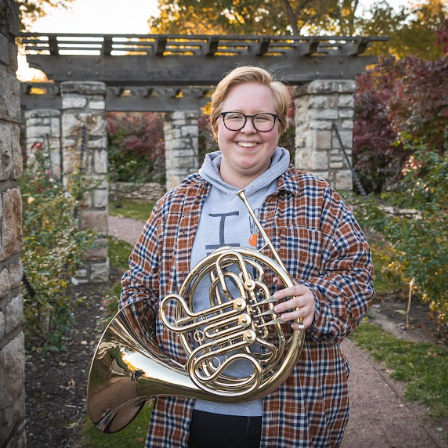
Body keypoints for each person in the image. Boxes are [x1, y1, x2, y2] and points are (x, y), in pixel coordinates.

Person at [120, 65, 374, 448]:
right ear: (217, 123)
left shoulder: (318, 200)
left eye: (263, 118)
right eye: (235, 116)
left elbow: (358, 276)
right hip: (188, 405)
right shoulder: (173, 206)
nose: (248, 129)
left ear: (280, 126)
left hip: (295, 405)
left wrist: (317, 300)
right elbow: (137, 290)